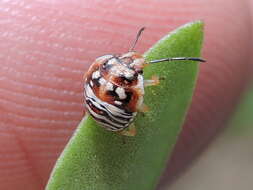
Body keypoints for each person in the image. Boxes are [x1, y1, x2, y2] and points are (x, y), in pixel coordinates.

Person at [0, 0, 252, 189]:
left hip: (99, 109)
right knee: (136, 120)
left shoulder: (110, 70)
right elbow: (141, 104)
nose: (137, 61)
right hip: (110, 118)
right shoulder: (128, 82)